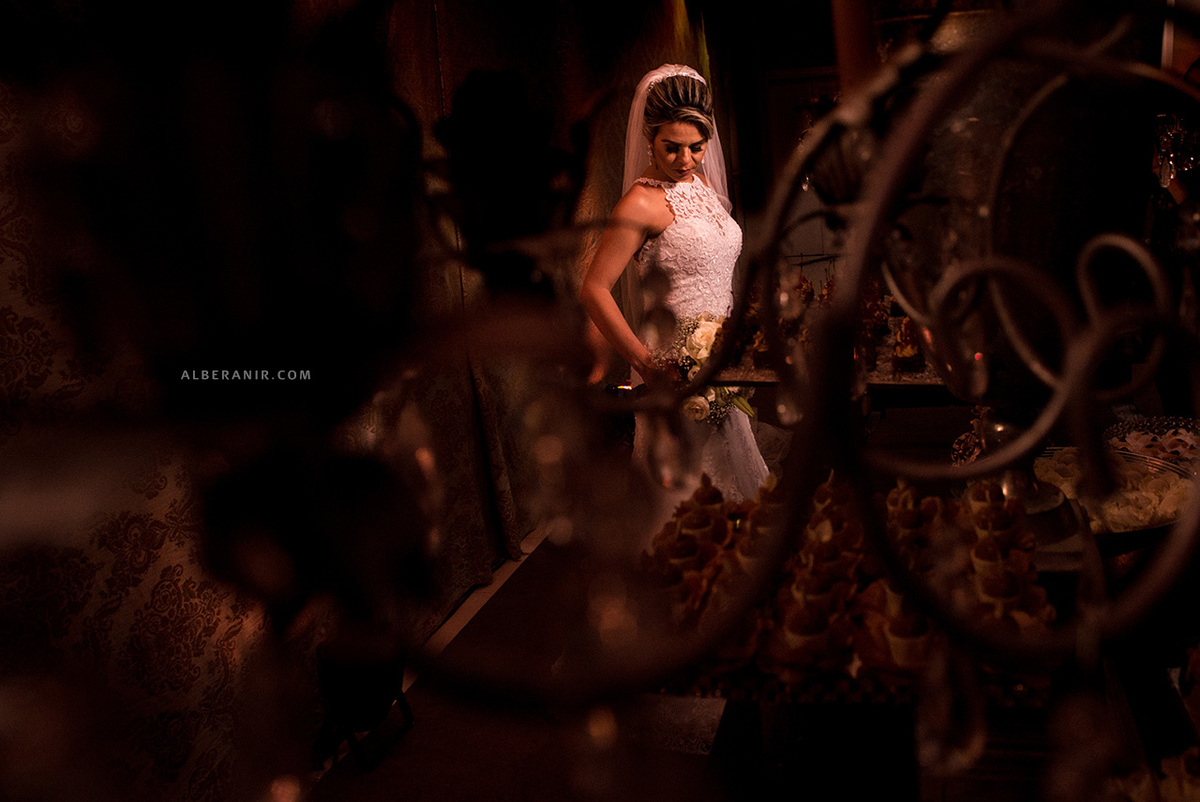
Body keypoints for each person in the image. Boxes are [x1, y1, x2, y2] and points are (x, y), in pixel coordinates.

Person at [580, 63, 769, 512]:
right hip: (673, 366)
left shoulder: (702, 186)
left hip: (721, 363)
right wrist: (647, 365)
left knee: (734, 494)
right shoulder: (641, 202)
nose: (685, 161)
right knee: (684, 498)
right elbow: (593, 288)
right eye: (671, 148)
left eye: (696, 148)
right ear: (649, 138)